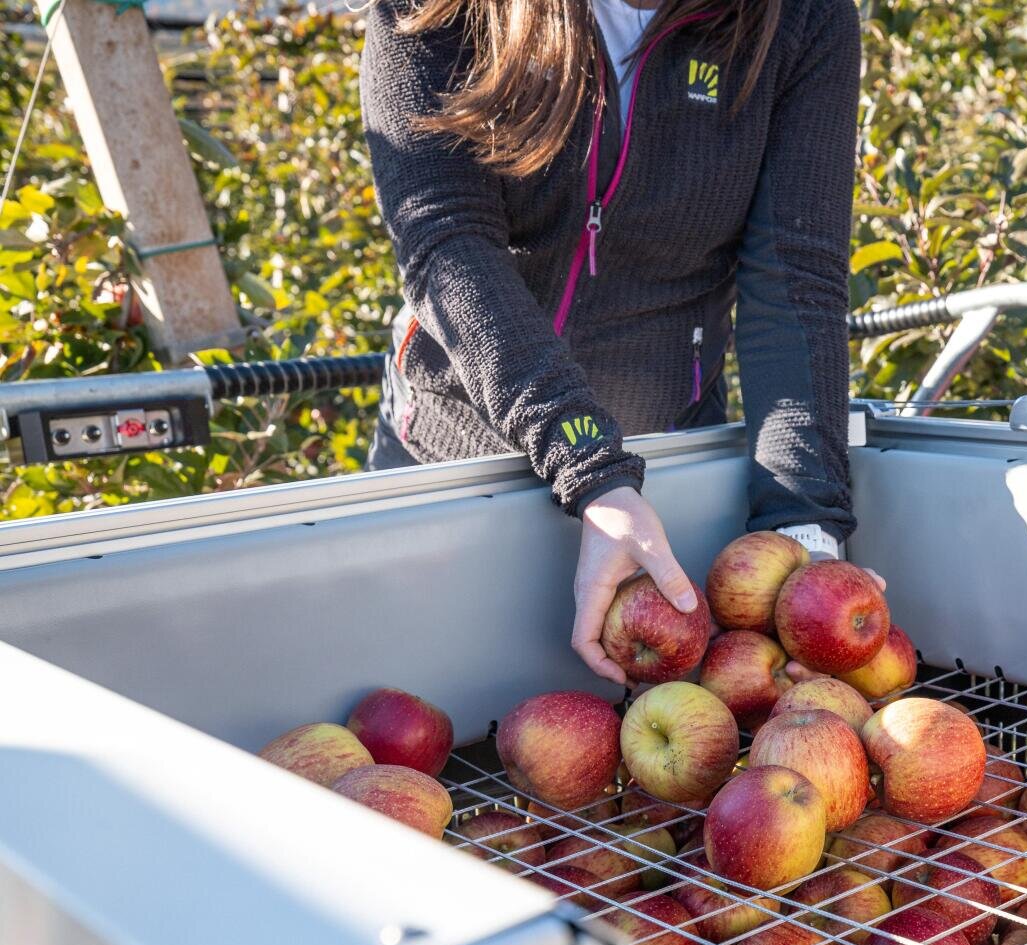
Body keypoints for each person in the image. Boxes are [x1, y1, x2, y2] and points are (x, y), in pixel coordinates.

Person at [360, 0, 865, 683]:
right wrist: (590, 466)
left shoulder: (800, 19)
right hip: (454, 471)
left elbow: (793, 277)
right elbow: (445, 237)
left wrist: (806, 527)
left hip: (661, 479)